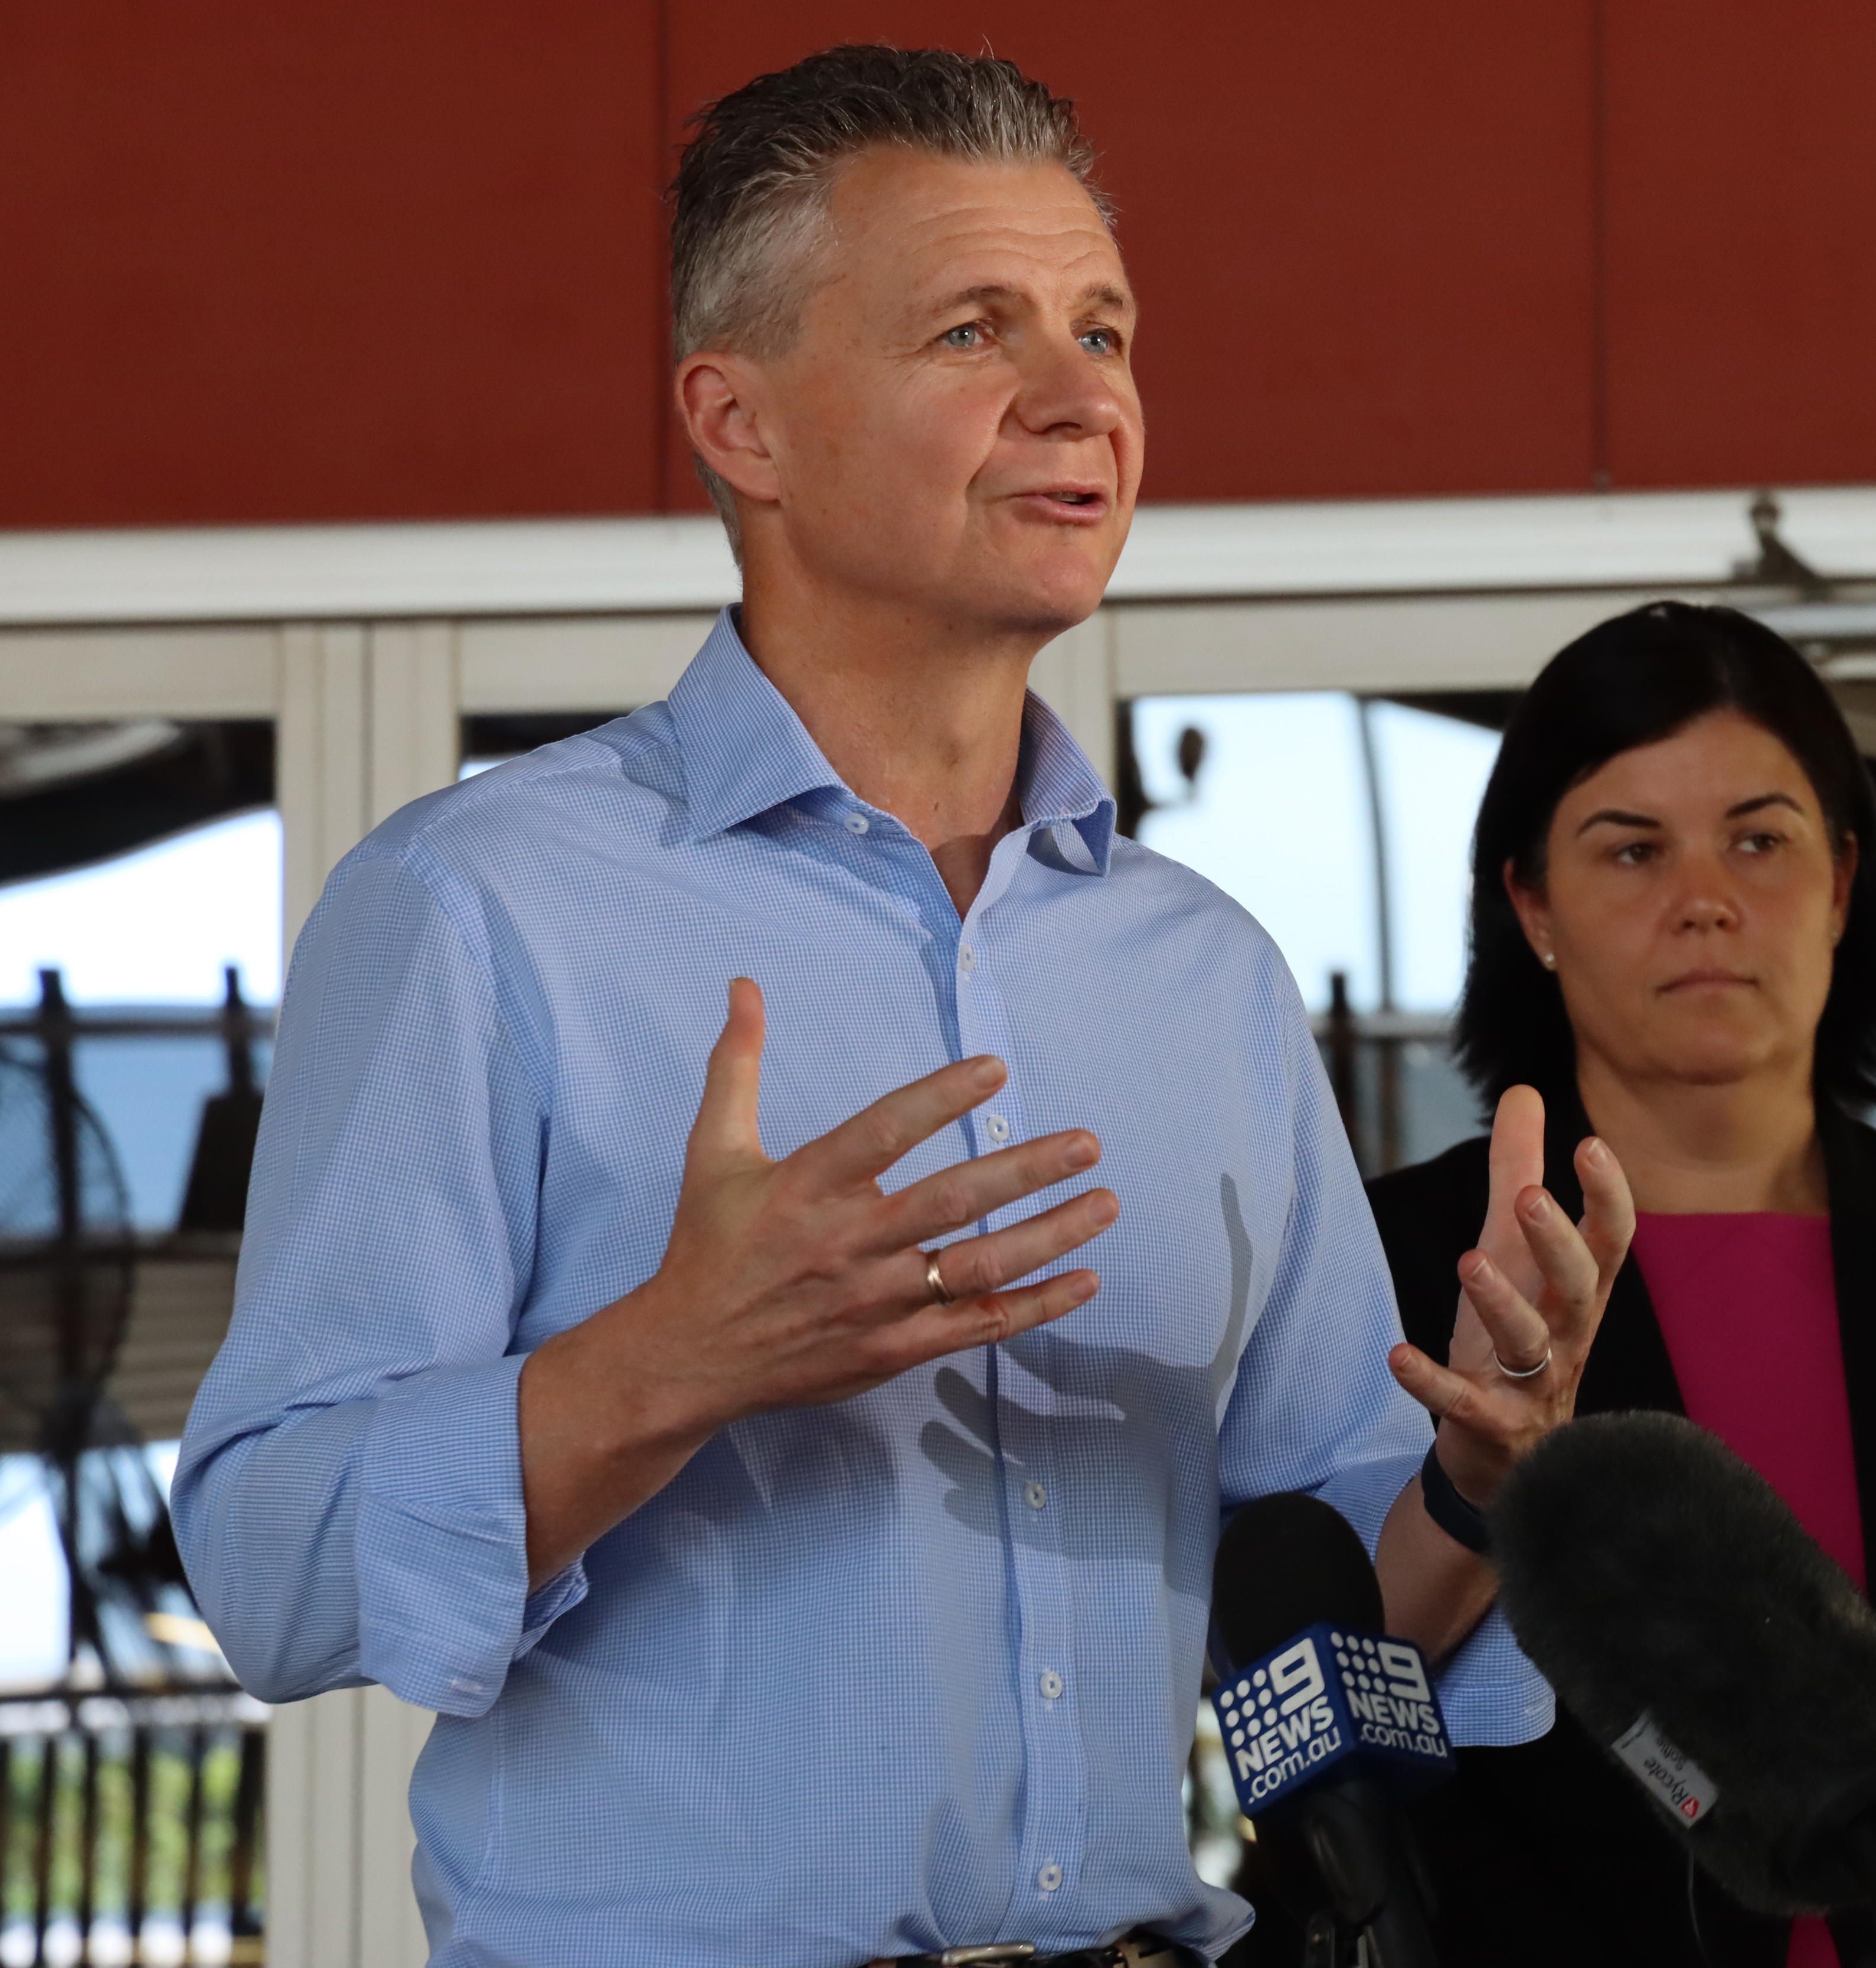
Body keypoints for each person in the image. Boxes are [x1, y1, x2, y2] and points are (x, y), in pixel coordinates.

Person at [173, 49, 1632, 1968]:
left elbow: (1327, 1604)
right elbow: (270, 1565)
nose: (1082, 395)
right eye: (975, 329)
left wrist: (1486, 1474)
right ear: (741, 422)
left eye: (1105, 327)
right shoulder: (479, 905)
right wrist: (666, 1361)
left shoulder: (1206, 975)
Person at [1364, 603, 1876, 1968]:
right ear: (1529, 903)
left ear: (1839, 883)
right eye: (1630, 847)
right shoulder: (1405, 1260)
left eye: (1758, 838)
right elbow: (1359, 1741)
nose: (1704, 895)